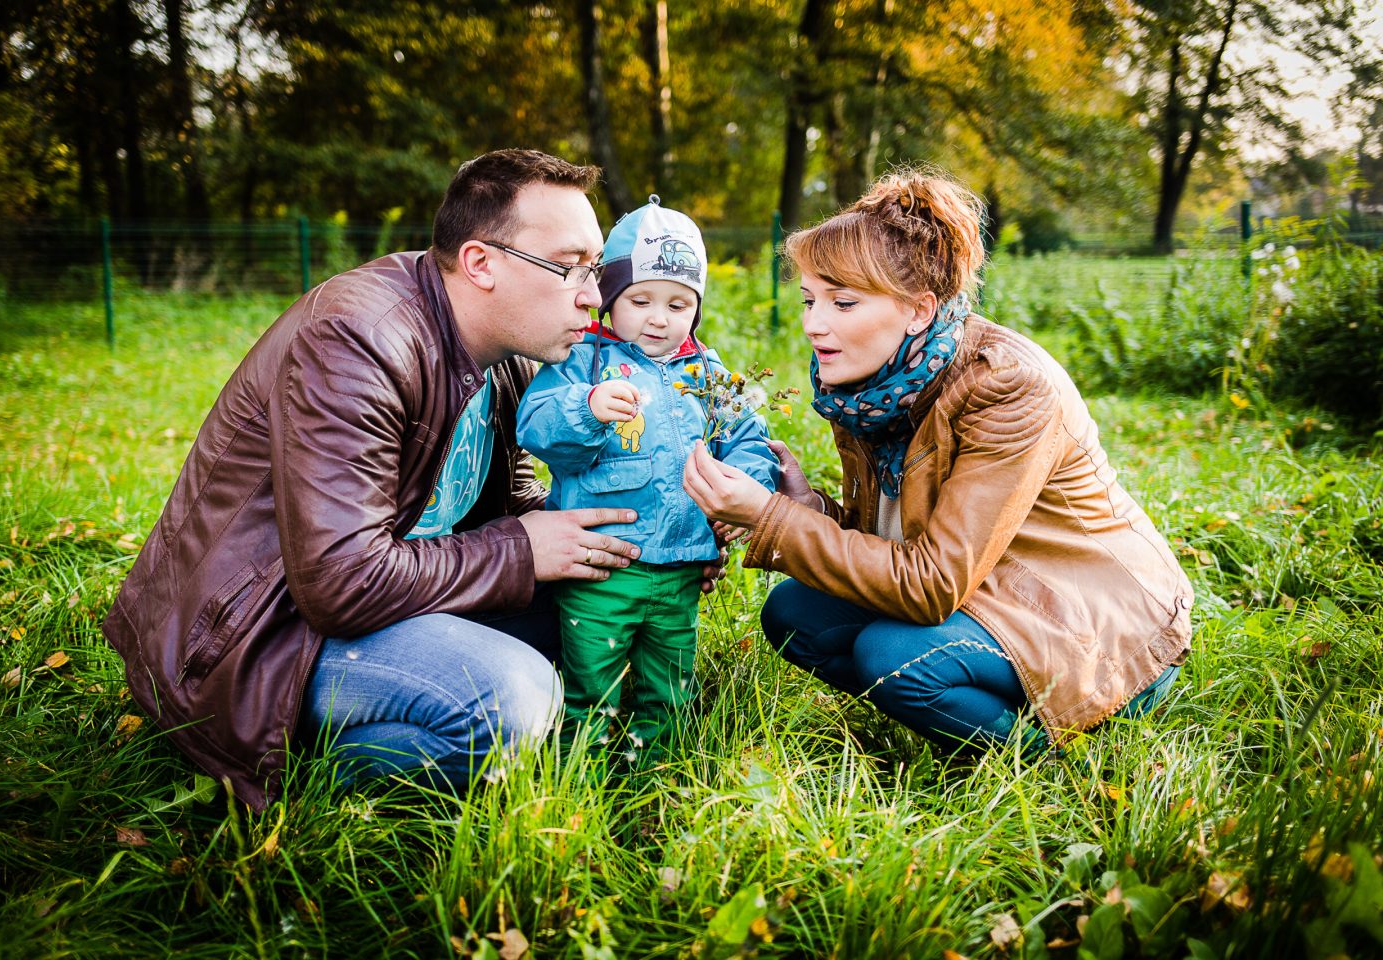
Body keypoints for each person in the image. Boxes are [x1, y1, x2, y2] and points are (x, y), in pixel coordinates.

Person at [102, 149, 723, 810]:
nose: (594, 296)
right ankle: (291, 765)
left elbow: (511, 508)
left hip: (386, 598)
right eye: (569, 267)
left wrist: (646, 545)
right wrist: (523, 549)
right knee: (516, 699)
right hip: (263, 639)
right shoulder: (356, 341)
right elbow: (342, 584)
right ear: (482, 263)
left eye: (595, 269)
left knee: (601, 609)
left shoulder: (508, 352)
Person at [682, 169, 1192, 757]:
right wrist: (808, 509)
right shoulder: (876, 385)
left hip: (1101, 631)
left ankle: (1044, 755)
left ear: (919, 309)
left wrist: (772, 519)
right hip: (989, 589)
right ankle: (960, 721)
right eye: (809, 299)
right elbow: (902, 538)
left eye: (842, 302)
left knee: (892, 658)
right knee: (796, 614)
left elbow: (929, 585)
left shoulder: (1006, 387)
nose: (813, 324)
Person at [517, 197, 779, 761]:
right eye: (640, 300)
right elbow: (535, 426)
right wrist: (587, 408)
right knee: (592, 687)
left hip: (682, 567)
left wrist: (748, 494)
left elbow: (748, 439)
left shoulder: (706, 374)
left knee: (668, 689)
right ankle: (578, 787)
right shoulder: (583, 363)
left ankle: (652, 782)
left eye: (679, 304)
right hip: (602, 569)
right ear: (609, 302)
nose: (659, 318)